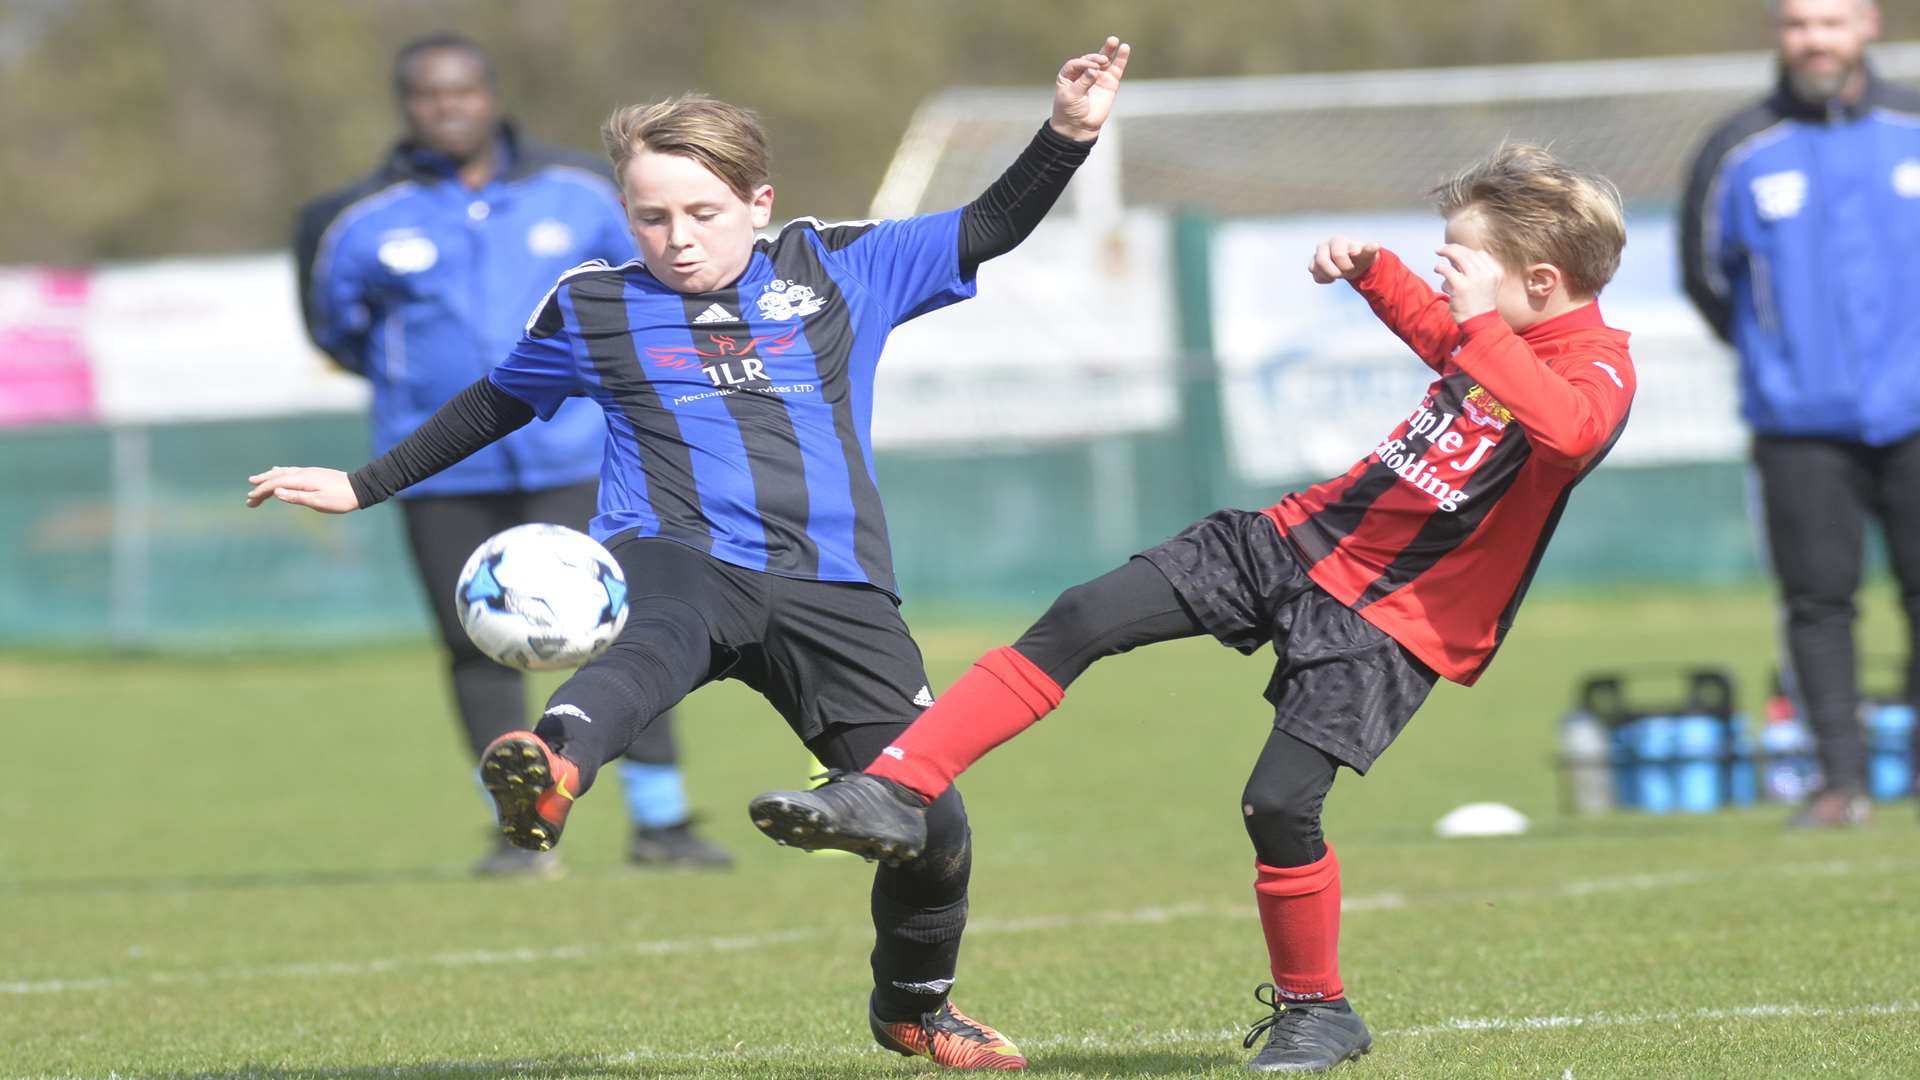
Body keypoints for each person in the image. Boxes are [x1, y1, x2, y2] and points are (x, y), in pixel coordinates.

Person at [251, 35, 1131, 1069]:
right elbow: (499, 399)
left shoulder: (841, 266)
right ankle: (554, 771)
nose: (675, 238)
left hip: (836, 586)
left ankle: (915, 1007)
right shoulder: (595, 304)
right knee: (654, 636)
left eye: (702, 213)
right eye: (652, 216)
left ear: (759, 204)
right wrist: (364, 483)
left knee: (931, 822)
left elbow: (988, 225)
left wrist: (1068, 133)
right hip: (675, 552)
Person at [749, 145, 1634, 1073]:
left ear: (1540, 279)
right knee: (1084, 615)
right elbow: (1443, 335)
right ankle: (895, 788)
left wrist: (1476, 324)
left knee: (1279, 804)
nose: (1447, 269)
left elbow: (1567, 433)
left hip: (1392, 619)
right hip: (1294, 541)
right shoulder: (1497, 330)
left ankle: (1318, 1011)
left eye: (1462, 257)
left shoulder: (1599, 369)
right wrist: (1380, 274)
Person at [293, 33, 730, 877]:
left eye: (462, 91)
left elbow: (648, 289)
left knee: (630, 632)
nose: (447, 106)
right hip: (438, 470)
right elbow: (338, 331)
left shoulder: (575, 194)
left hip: (583, 459)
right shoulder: (357, 221)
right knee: (477, 642)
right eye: (427, 94)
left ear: (492, 96)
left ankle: (662, 822)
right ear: (405, 106)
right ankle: (521, 830)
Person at [1679, 0, 1920, 828]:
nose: (1815, 38)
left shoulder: (1913, 125)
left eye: (1832, 21)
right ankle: (1839, 785)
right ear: (1778, 34)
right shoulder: (1737, 148)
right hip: (1797, 423)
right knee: (1820, 602)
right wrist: (1782, 358)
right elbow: (1706, 277)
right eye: (1798, 23)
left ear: (1870, 26)